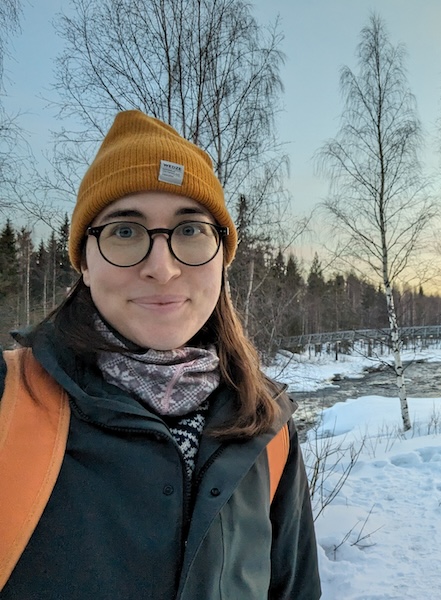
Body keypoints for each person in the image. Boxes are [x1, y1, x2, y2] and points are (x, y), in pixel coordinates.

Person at [0, 110, 321, 599]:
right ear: (85, 262)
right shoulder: (9, 403)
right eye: (125, 231)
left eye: (190, 230)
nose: (162, 267)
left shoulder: (265, 422)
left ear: (222, 258)